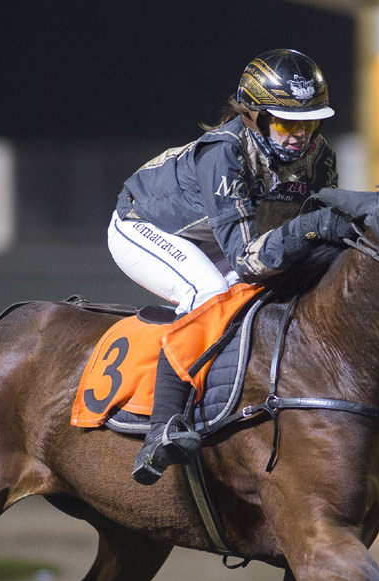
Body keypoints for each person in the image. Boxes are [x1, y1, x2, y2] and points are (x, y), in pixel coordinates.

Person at [108, 48, 356, 485]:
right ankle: (162, 428)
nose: (299, 135)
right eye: (285, 122)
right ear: (253, 115)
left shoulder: (321, 157)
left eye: (310, 120)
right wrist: (316, 227)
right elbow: (248, 258)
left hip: (219, 236)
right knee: (208, 295)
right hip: (144, 226)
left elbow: (312, 241)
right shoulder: (223, 154)